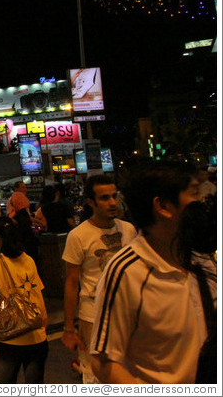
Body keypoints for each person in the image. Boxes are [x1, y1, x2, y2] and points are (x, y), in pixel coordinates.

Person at [90, 163, 213, 384]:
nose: (204, 202)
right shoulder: (126, 272)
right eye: (195, 193)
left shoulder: (204, 260)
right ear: (164, 206)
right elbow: (104, 362)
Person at [61, 174, 137, 383]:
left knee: (128, 372)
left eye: (114, 196)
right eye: (104, 198)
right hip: (93, 316)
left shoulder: (128, 229)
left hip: (128, 314)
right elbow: (71, 282)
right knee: (96, 374)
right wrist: (69, 328)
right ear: (91, 202)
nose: (112, 202)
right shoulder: (78, 235)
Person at [0, 217, 49, 384]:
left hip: (11, 337)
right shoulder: (28, 259)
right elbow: (38, 294)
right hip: (37, 335)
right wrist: (43, 321)